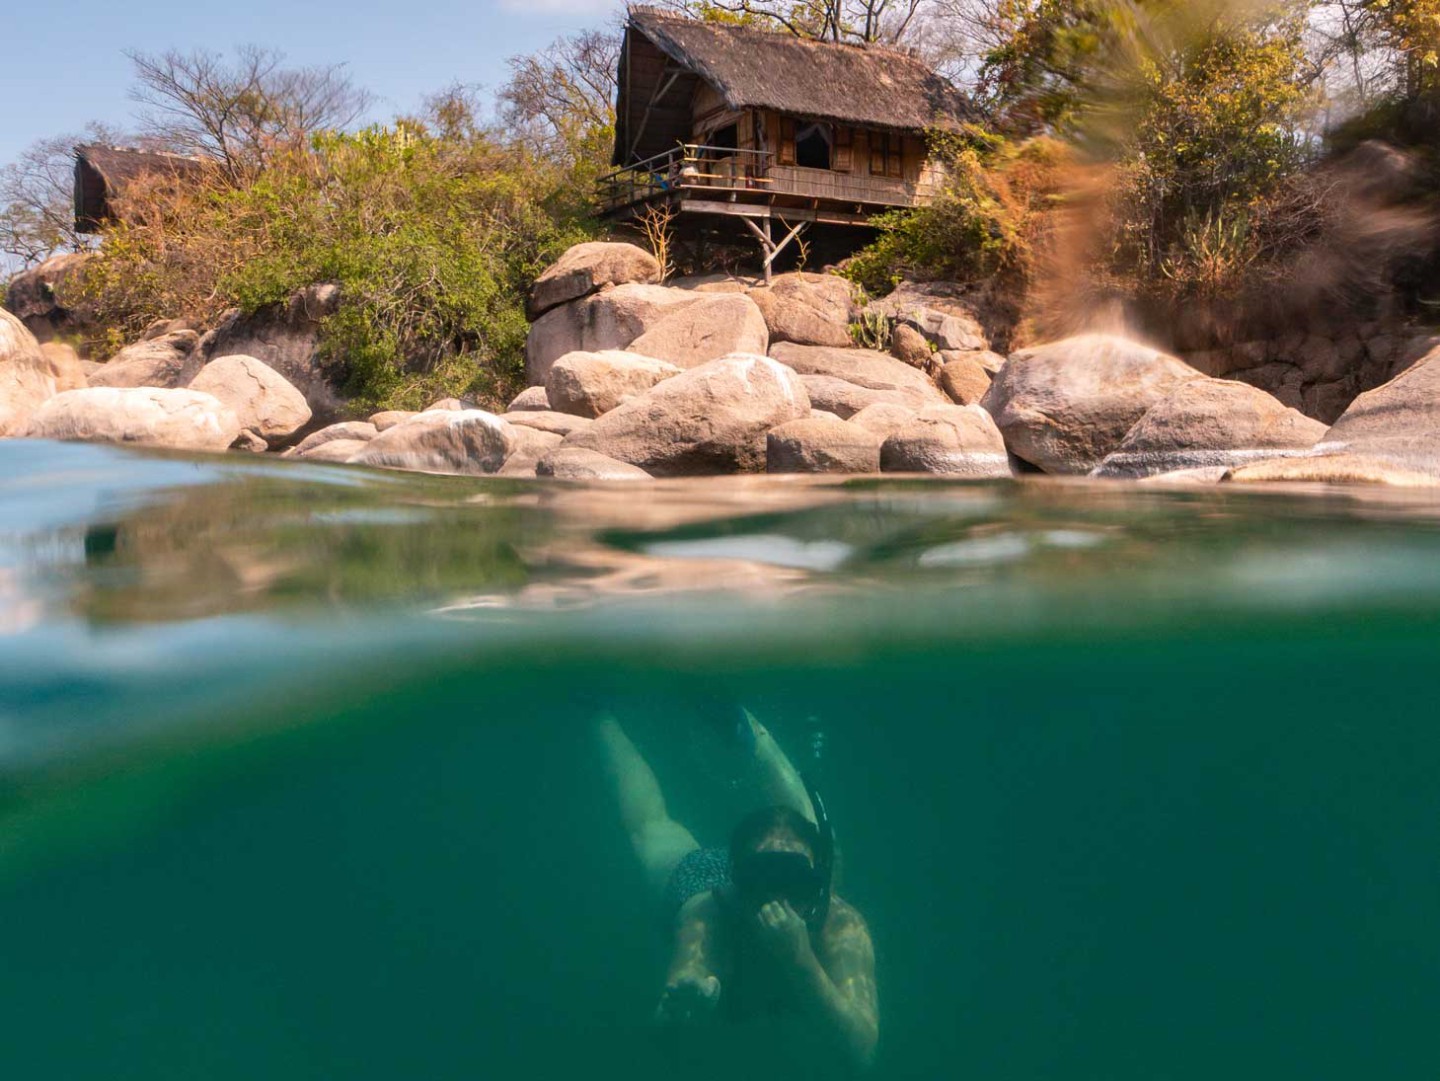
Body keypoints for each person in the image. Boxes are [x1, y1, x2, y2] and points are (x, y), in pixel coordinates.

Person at [596, 711, 879, 1074]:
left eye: (792, 879)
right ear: (738, 881)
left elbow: (861, 1053)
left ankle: (747, 732)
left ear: (814, 882)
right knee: (651, 829)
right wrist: (683, 1009)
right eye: (763, 880)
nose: (777, 897)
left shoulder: (838, 921)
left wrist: (801, 959)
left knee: (821, 841)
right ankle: (601, 716)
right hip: (706, 880)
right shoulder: (709, 911)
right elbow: (666, 1025)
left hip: (772, 867)